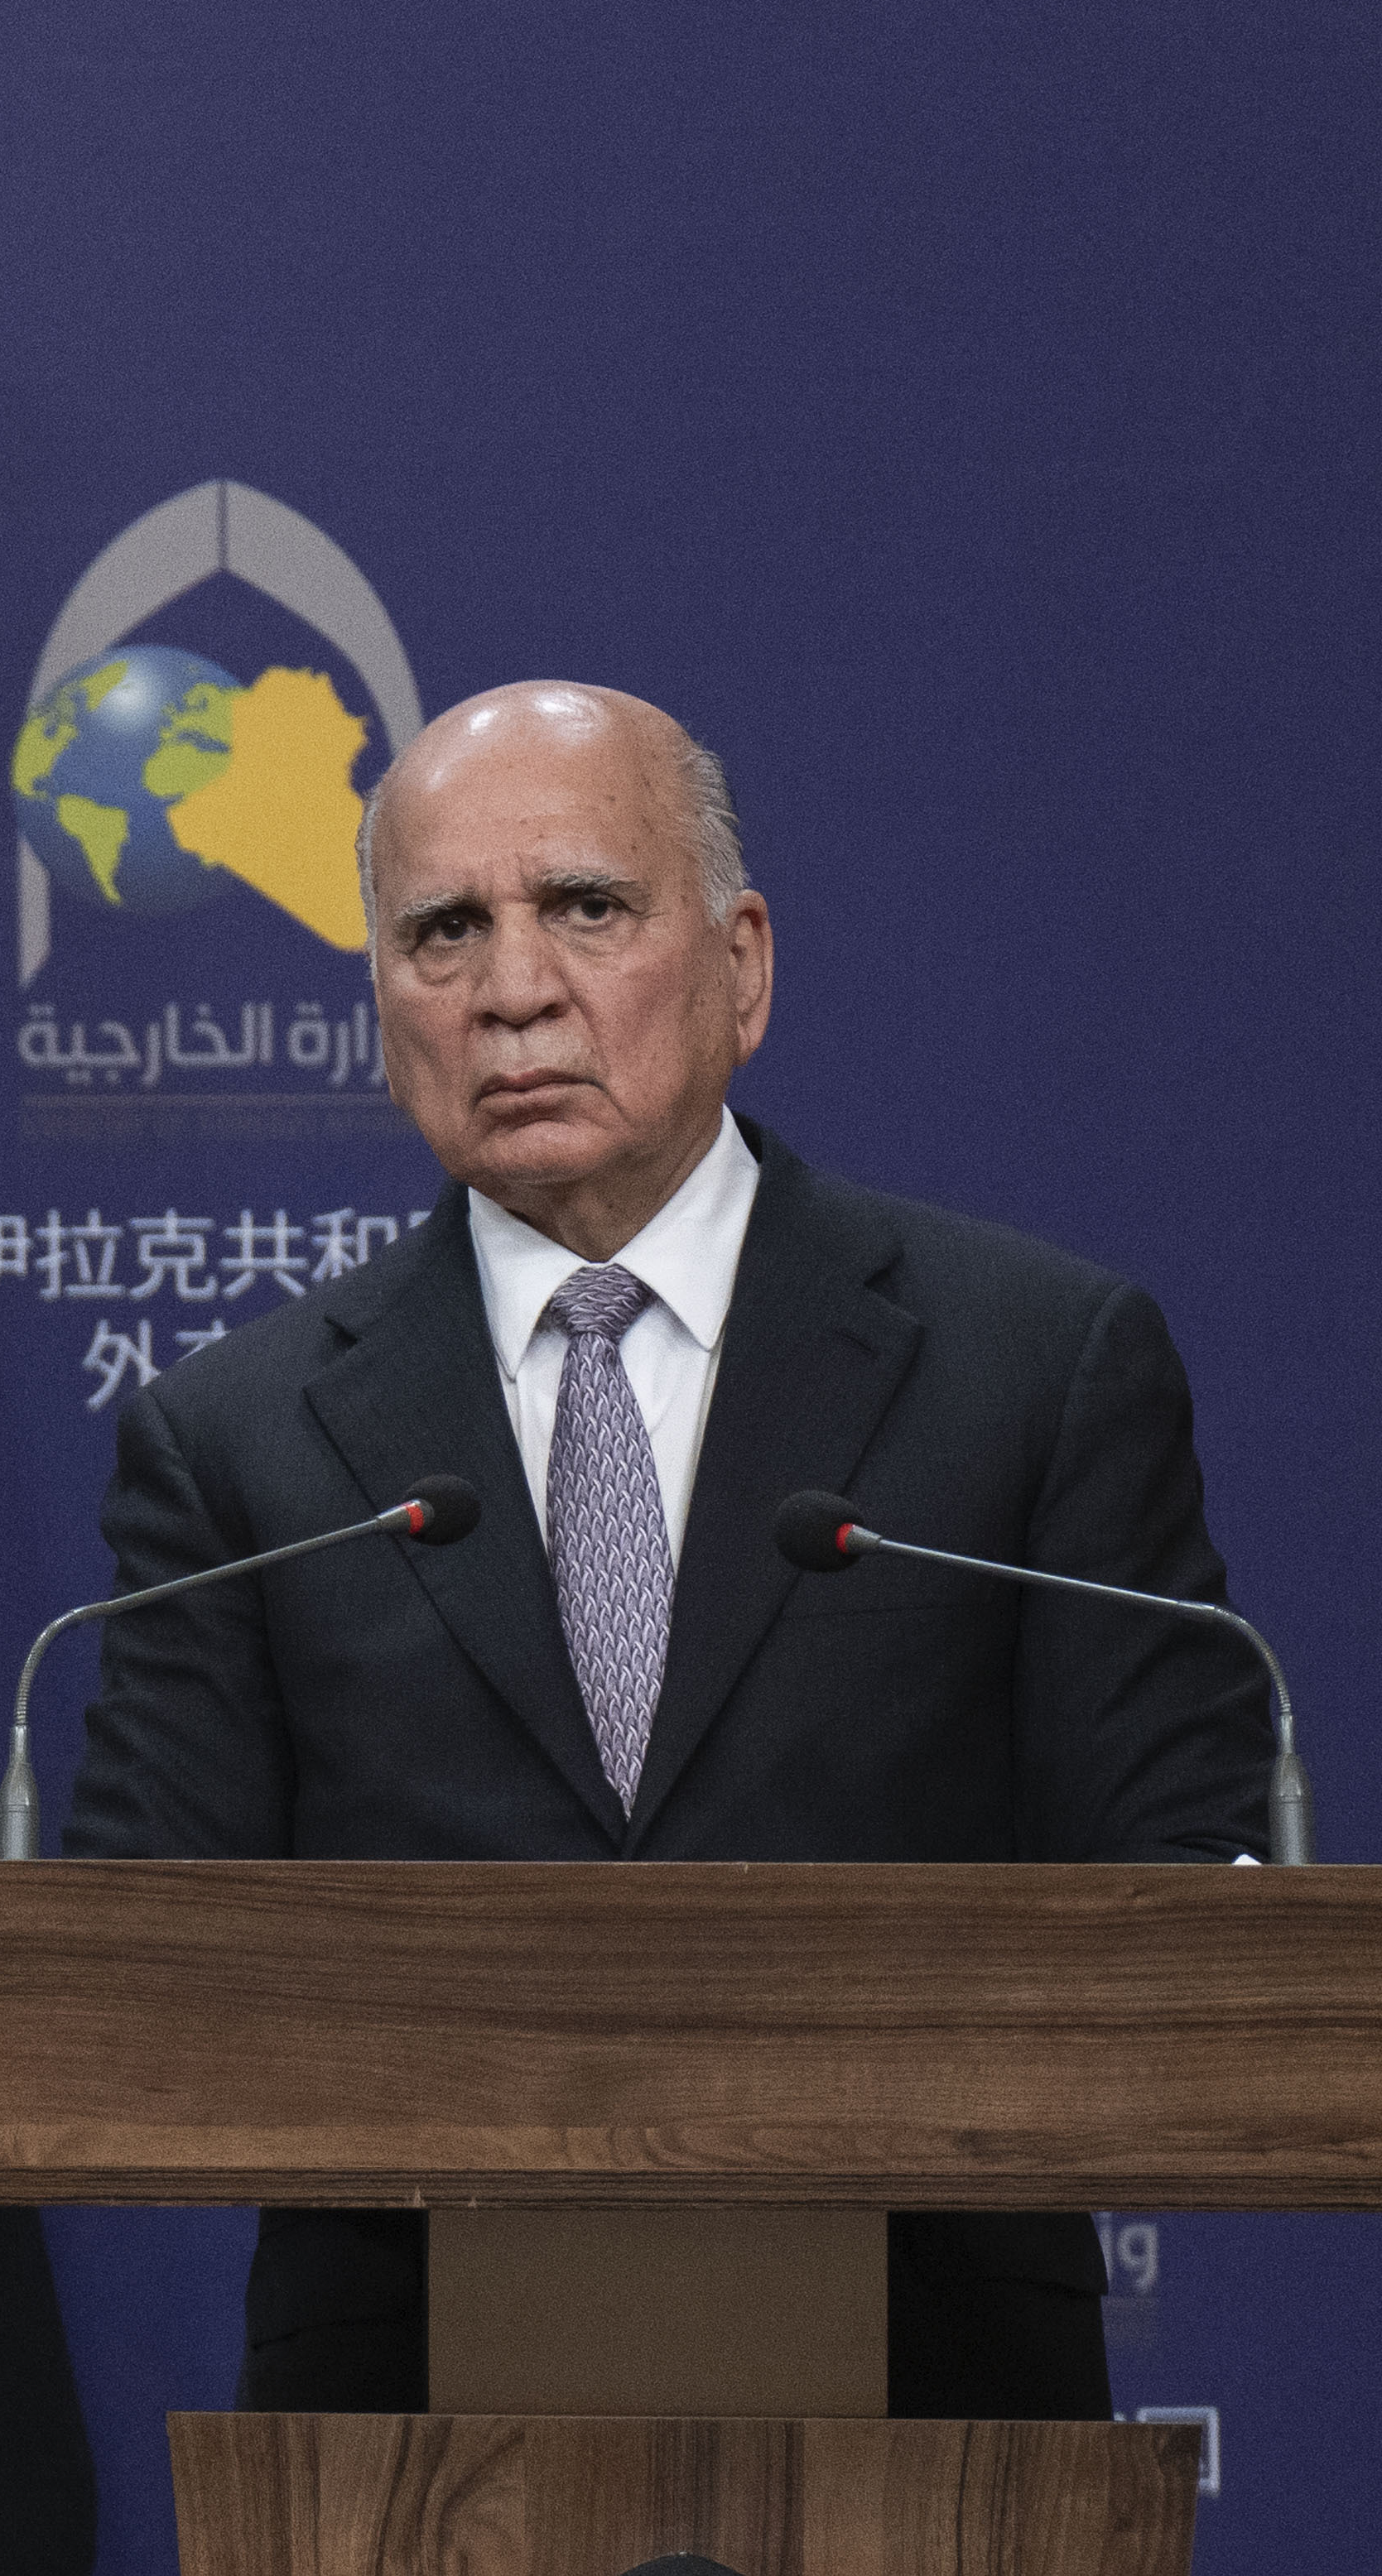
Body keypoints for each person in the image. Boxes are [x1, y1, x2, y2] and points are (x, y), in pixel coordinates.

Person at [64, 680, 1267, 2418]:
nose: (513, 989)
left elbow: (1182, 1888)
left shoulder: (1033, 1368)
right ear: (381, 1004)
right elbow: (129, 1981)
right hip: (403, 2450)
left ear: (743, 966)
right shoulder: (240, 1444)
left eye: (587, 908)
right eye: (443, 932)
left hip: (935, 2422)